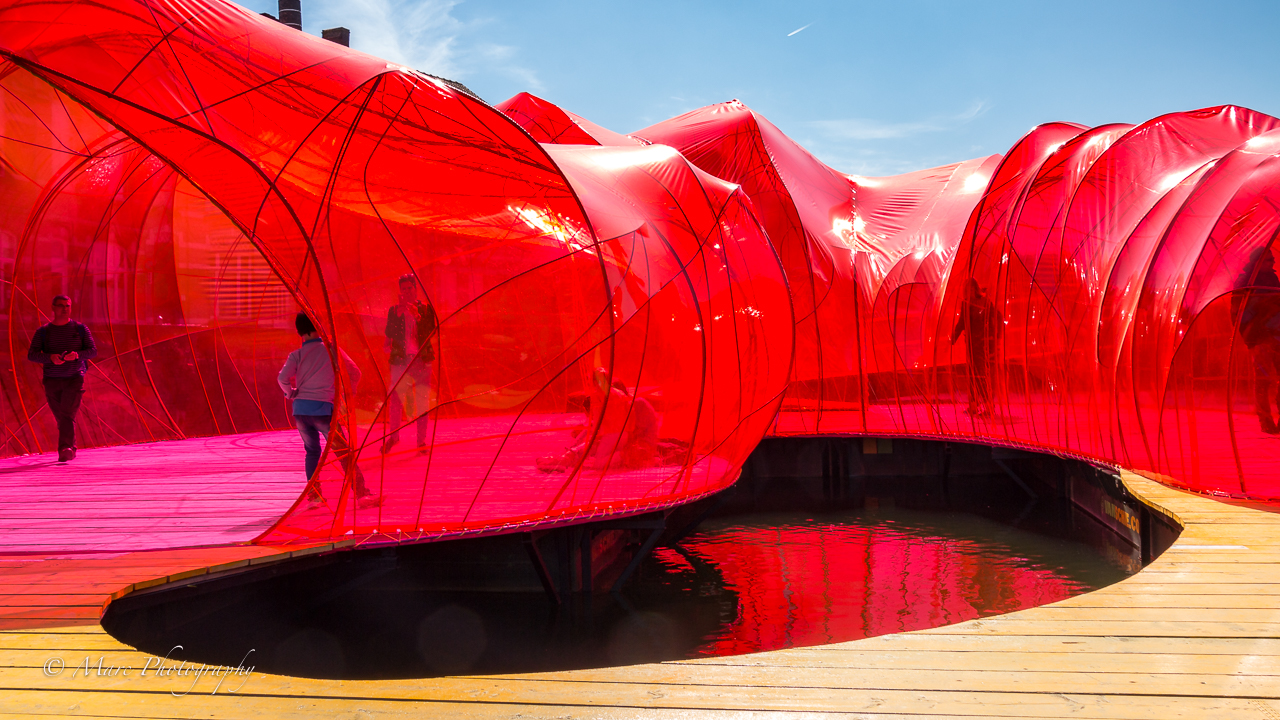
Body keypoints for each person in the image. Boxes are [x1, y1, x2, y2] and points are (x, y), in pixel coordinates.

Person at [278, 313, 378, 508]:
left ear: (298, 331)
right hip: (323, 409)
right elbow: (355, 372)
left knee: (312, 452)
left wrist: (290, 393)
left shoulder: (296, 355)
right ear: (319, 326)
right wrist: (348, 395)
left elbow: (282, 378)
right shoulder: (331, 349)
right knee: (343, 452)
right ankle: (361, 493)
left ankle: (314, 496)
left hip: (301, 411)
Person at [27, 295, 97, 462]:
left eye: (67, 305)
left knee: (66, 413)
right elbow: (32, 354)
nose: (64, 309)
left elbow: (92, 351)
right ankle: (71, 447)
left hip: (74, 377)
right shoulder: (43, 332)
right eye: (60, 305)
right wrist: (50, 358)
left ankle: (65, 449)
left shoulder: (80, 329)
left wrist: (77, 355)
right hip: (52, 379)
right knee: (62, 416)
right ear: (53, 307)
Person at [537, 368, 633, 472]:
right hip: (623, 435)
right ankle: (561, 460)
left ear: (595, 381)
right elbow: (630, 415)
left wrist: (592, 436)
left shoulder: (598, 395)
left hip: (610, 436)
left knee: (599, 463)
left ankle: (624, 455)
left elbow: (597, 422)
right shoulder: (620, 394)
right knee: (589, 447)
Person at [383, 273, 438, 454]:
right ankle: (394, 437)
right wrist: (399, 315)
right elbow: (390, 333)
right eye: (403, 289)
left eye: (409, 288)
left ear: (415, 289)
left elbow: (431, 332)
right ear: (400, 291)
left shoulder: (425, 308)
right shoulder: (394, 310)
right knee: (396, 399)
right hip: (400, 360)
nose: (407, 291)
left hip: (421, 359)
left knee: (422, 399)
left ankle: (421, 441)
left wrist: (418, 317)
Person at [1232, 247, 1280, 434]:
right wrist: (1249, 335)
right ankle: (1266, 421)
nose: (1272, 263)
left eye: (1273, 259)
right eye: (1268, 260)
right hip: (1260, 336)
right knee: (1263, 380)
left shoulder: (1272, 279)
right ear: (1257, 262)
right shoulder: (1246, 281)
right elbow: (1238, 312)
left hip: (1276, 334)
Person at [951, 279, 1002, 417]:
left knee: (982, 376)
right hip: (972, 345)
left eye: (971, 289)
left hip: (983, 345)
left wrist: (995, 336)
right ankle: (973, 404)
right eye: (966, 289)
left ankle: (988, 406)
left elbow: (997, 317)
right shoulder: (966, 304)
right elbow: (962, 322)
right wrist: (953, 338)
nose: (969, 292)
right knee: (972, 376)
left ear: (975, 289)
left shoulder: (985, 302)